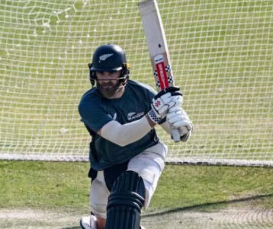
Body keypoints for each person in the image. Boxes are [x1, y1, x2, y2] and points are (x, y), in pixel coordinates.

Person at [78, 44, 193, 229]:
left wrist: (181, 127)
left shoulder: (142, 93)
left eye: (112, 73)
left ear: (123, 72)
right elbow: (120, 136)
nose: (106, 79)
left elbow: (174, 131)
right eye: (101, 73)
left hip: (145, 152)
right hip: (108, 161)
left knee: (127, 199)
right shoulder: (89, 104)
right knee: (104, 223)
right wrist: (154, 115)